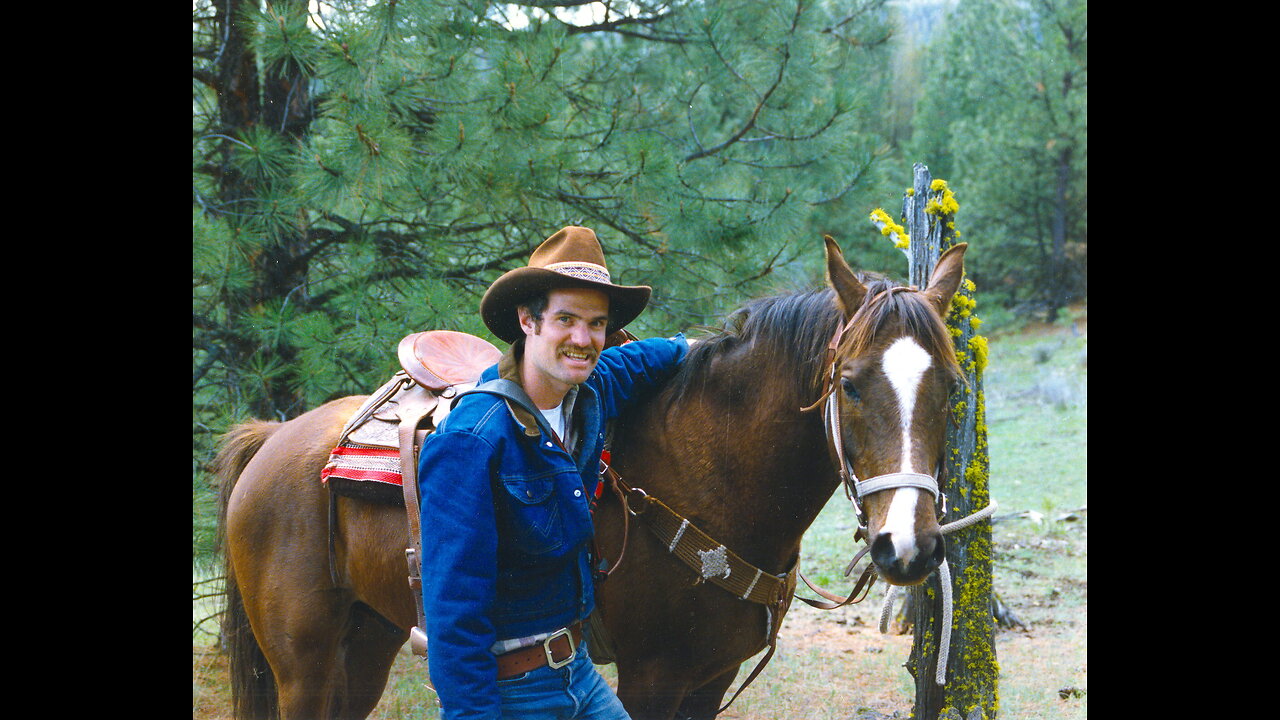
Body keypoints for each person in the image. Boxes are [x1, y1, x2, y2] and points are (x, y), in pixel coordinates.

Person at [417, 226, 688, 720]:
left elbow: (643, 359)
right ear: (528, 320)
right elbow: (454, 611)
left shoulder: (589, 393)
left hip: (579, 672)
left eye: (597, 324)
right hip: (513, 690)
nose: (583, 340)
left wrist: (698, 346)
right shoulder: (473, 440)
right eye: (566, 319)